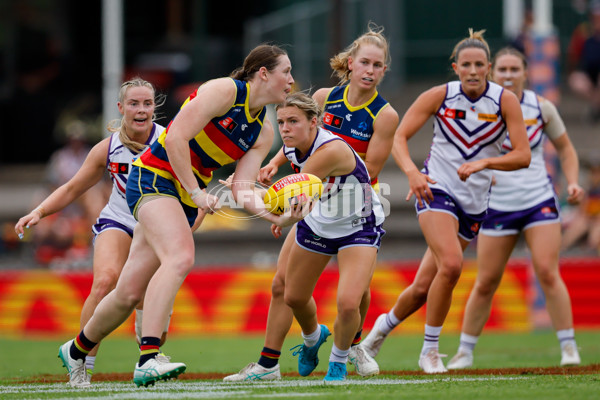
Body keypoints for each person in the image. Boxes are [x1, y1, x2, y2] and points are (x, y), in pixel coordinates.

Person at [55, 44, 300, 388]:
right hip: (154, 176)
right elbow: (176, 138)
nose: (291, 80)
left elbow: (244, 189)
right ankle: (148, 358)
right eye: (285, 72)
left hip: (183, 195)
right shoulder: (225, 91)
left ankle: (77, 349)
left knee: (127, 292)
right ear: (263, 74)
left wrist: (277, 215)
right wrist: (198, 192)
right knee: (181, 256)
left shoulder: (263, 131)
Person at [224, 25, 399, 382]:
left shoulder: (384, 115)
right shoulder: (319, 100)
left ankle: (348, 350)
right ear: (350, 64)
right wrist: (275, 167)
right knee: (285, 289)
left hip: (355, 204)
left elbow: (369, 169)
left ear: (383, 70)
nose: (369, 70)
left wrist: (277, 206)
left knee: (353, 297)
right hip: (316, 204)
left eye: (377, 65)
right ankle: (291, 349)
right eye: (364, 62)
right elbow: (297, 141)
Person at [360, 29, 531, 374]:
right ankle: (431, 351)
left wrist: (486, 162)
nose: (472, 70)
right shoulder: (440, 95)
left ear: (489, 67)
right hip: (435, 190)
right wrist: (412, 173)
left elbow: (523, 155)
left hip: (474, 202)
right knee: (451, 265)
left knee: (424, 286)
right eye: (465, 64)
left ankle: (381, 329)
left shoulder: (504, 101)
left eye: (479, 64)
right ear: (455, 67)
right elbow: (400, 137)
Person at [15, 78, 170, 386]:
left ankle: (150, 356)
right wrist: (39, 211)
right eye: (134, 103)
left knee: (148, 297)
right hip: (118, 221)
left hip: (155, 226)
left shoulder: (171, 140)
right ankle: (81, 362)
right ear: (121, 108)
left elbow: (194, 180)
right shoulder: (108, 147)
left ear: (155, 107)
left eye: (147, 103)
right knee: (104, 282)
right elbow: (73, 187)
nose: (141, 110)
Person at [444, 47, 584, 370]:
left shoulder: (541, 107)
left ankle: (569, 347)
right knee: (486, 281)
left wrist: (573, 182)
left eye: (514, 69)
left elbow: (566, 149)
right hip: (496, 206)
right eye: (503, 70)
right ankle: (464, 352)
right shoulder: (482, 106)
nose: (508, 75)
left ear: (525, 73)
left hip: (537, 200)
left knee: (548, 272)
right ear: (494, 73)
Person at [568, 1, 600, 121]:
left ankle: (595, 108)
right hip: (589, 76)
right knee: (575, 81)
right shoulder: (583, 32)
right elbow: (573, 55)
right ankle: (596, 106)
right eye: (595, 16)